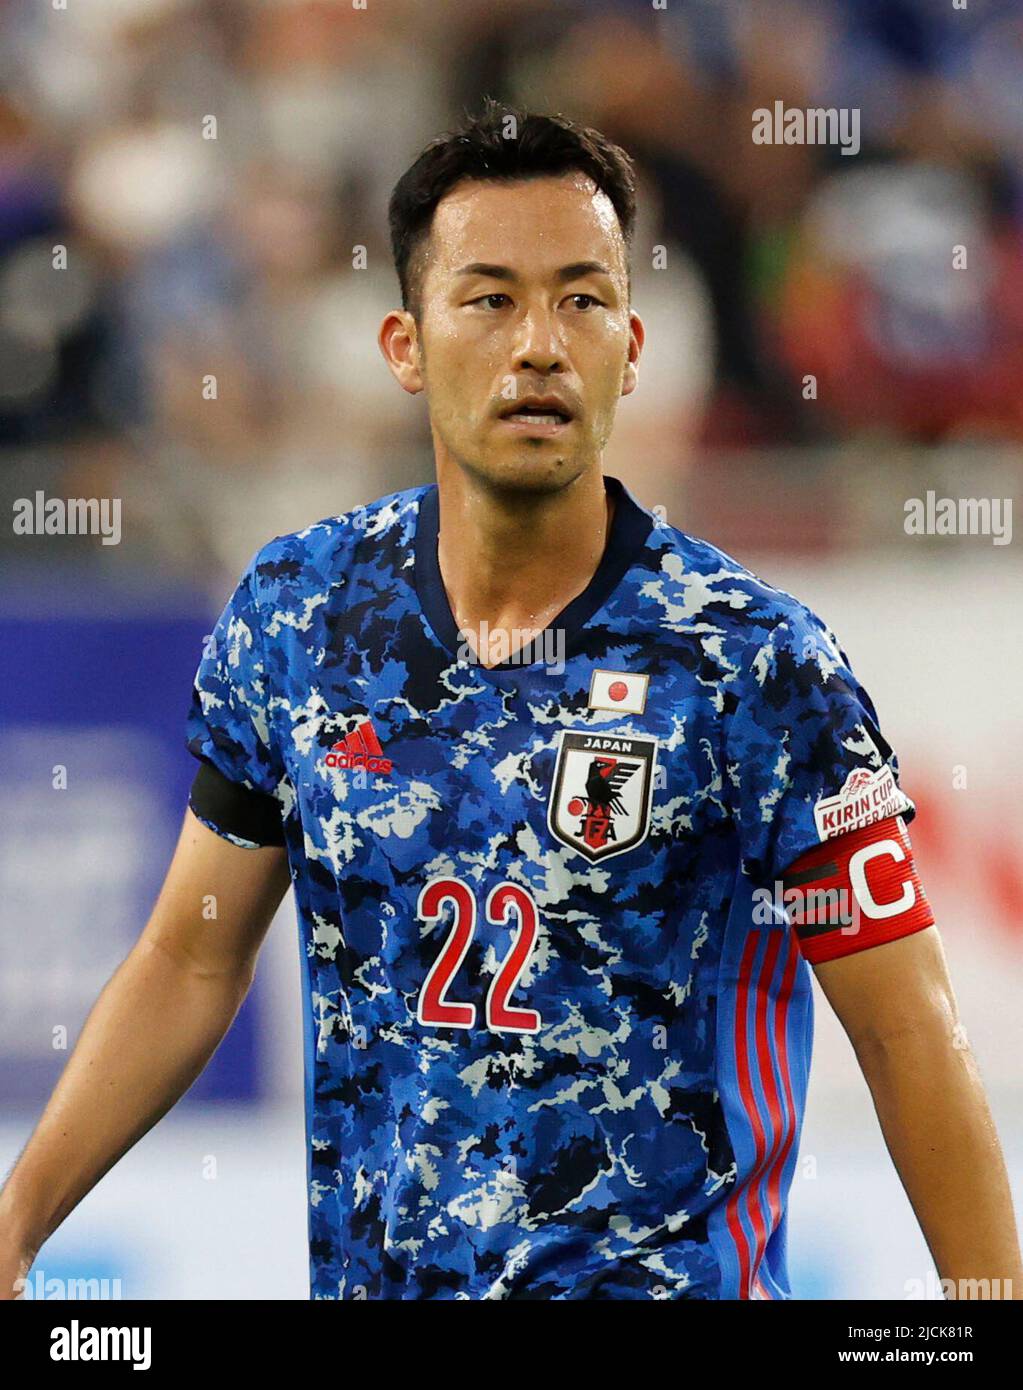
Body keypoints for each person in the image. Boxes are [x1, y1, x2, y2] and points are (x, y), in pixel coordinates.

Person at [2, 100, 1020, 1301]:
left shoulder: (757, 665)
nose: (540, 343)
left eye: (582, 300)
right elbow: (187, 958)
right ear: (405, 343)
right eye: (490, 299)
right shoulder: (297, 619)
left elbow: (907, 1030)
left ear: (633, 346)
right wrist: (17, 1224)